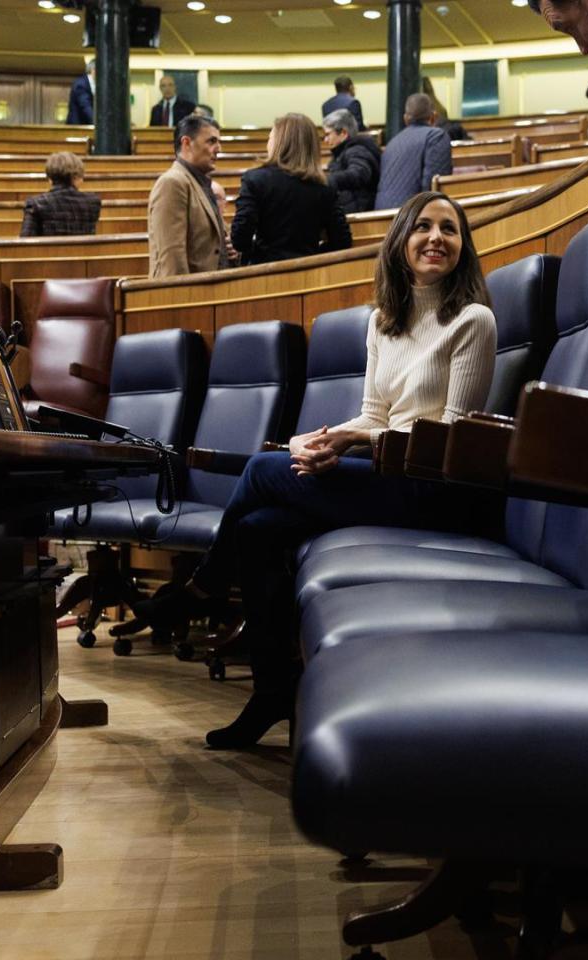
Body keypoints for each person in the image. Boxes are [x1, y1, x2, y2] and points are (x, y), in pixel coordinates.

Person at [133, 191, 497, 749]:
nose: (436, 238)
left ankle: (203, 587)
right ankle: (274, 690)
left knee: (259, 470)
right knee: (256, 531)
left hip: (432, 489)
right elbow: (375, 416)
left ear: (462, 248)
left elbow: (450, 435)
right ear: (400, 242)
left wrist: (351, 437)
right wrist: (330, 441)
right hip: (382, 474)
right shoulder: (384, 322)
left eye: (450, 229)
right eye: (422, 226)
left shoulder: (473, 320)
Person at [231, 114, 350, 265]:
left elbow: (240, 239)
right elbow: (342, 241)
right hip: (310, 273)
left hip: (264, 273)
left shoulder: (255, 179)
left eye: (270, 138)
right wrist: (314, 255)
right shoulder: (325, 186)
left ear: (279, 143)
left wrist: (258, 253)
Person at [147, 114, 232, 277]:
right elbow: (172, 258)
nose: (219, 149)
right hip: (189, 295)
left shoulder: (201, 182)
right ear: (186, 143)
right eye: (212, 141)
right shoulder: (172, 183)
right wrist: (184, 299)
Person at [375, 93, 451, 211]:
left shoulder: (392, 143)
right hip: (411, 219)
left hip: (380, 218)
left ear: (405, 119)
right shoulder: (436, 136)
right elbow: (433, 190)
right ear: (434, 117)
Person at [21, 152, 102, 237]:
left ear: (50, 178)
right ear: (75, 177)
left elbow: (26, 242)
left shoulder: (35, 204)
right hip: (83, 250)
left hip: (48, 250)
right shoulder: (93, 203)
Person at [321, 108, 380, 215]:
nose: (325, 140)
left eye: (328, 134)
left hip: (358, 214)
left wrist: (330, 180)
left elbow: (359, 173)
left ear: (343, 133)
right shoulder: (343, 152)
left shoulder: (356, 150)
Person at [66, 59, 93, 125]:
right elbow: (85, 106)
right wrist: (98, 124)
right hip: (76, 127)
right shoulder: (81, 84)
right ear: (94, 70)